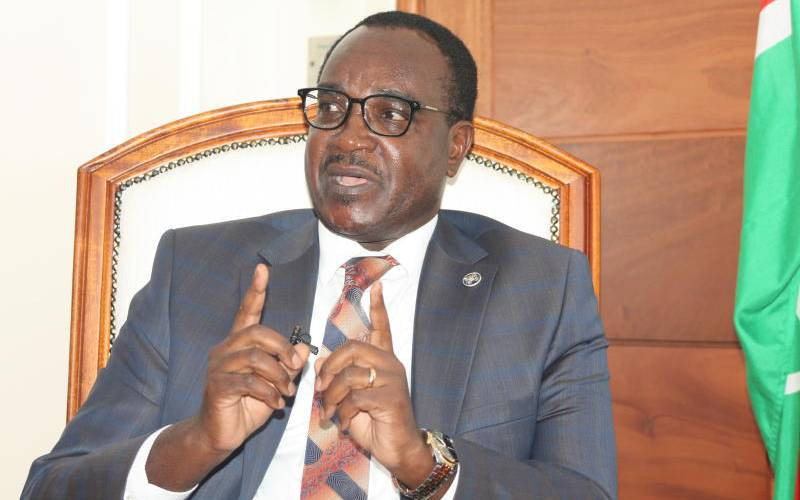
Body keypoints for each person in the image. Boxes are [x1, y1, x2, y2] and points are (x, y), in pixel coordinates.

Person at [22, 11, 616, 500]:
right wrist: (198, 442)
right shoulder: (196, 268)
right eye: (331, 107)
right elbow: (51, 487)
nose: (348, 138)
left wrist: (422, 464)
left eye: (390, 114)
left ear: (456, 146)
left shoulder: (543, 288)